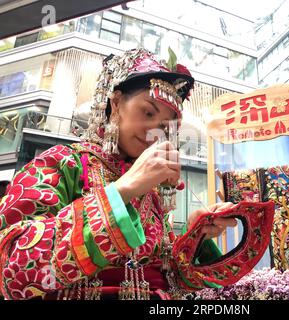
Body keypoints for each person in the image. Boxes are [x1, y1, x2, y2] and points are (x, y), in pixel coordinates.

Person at [0, 48, 236, 300]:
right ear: (115, 102)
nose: (155, 132)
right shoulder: (61, 163)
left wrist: (196, 235)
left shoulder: (152, 194)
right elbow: (11, 269)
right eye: (148, 112)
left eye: (167, 127)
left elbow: (171, 279)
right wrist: (121, 192)